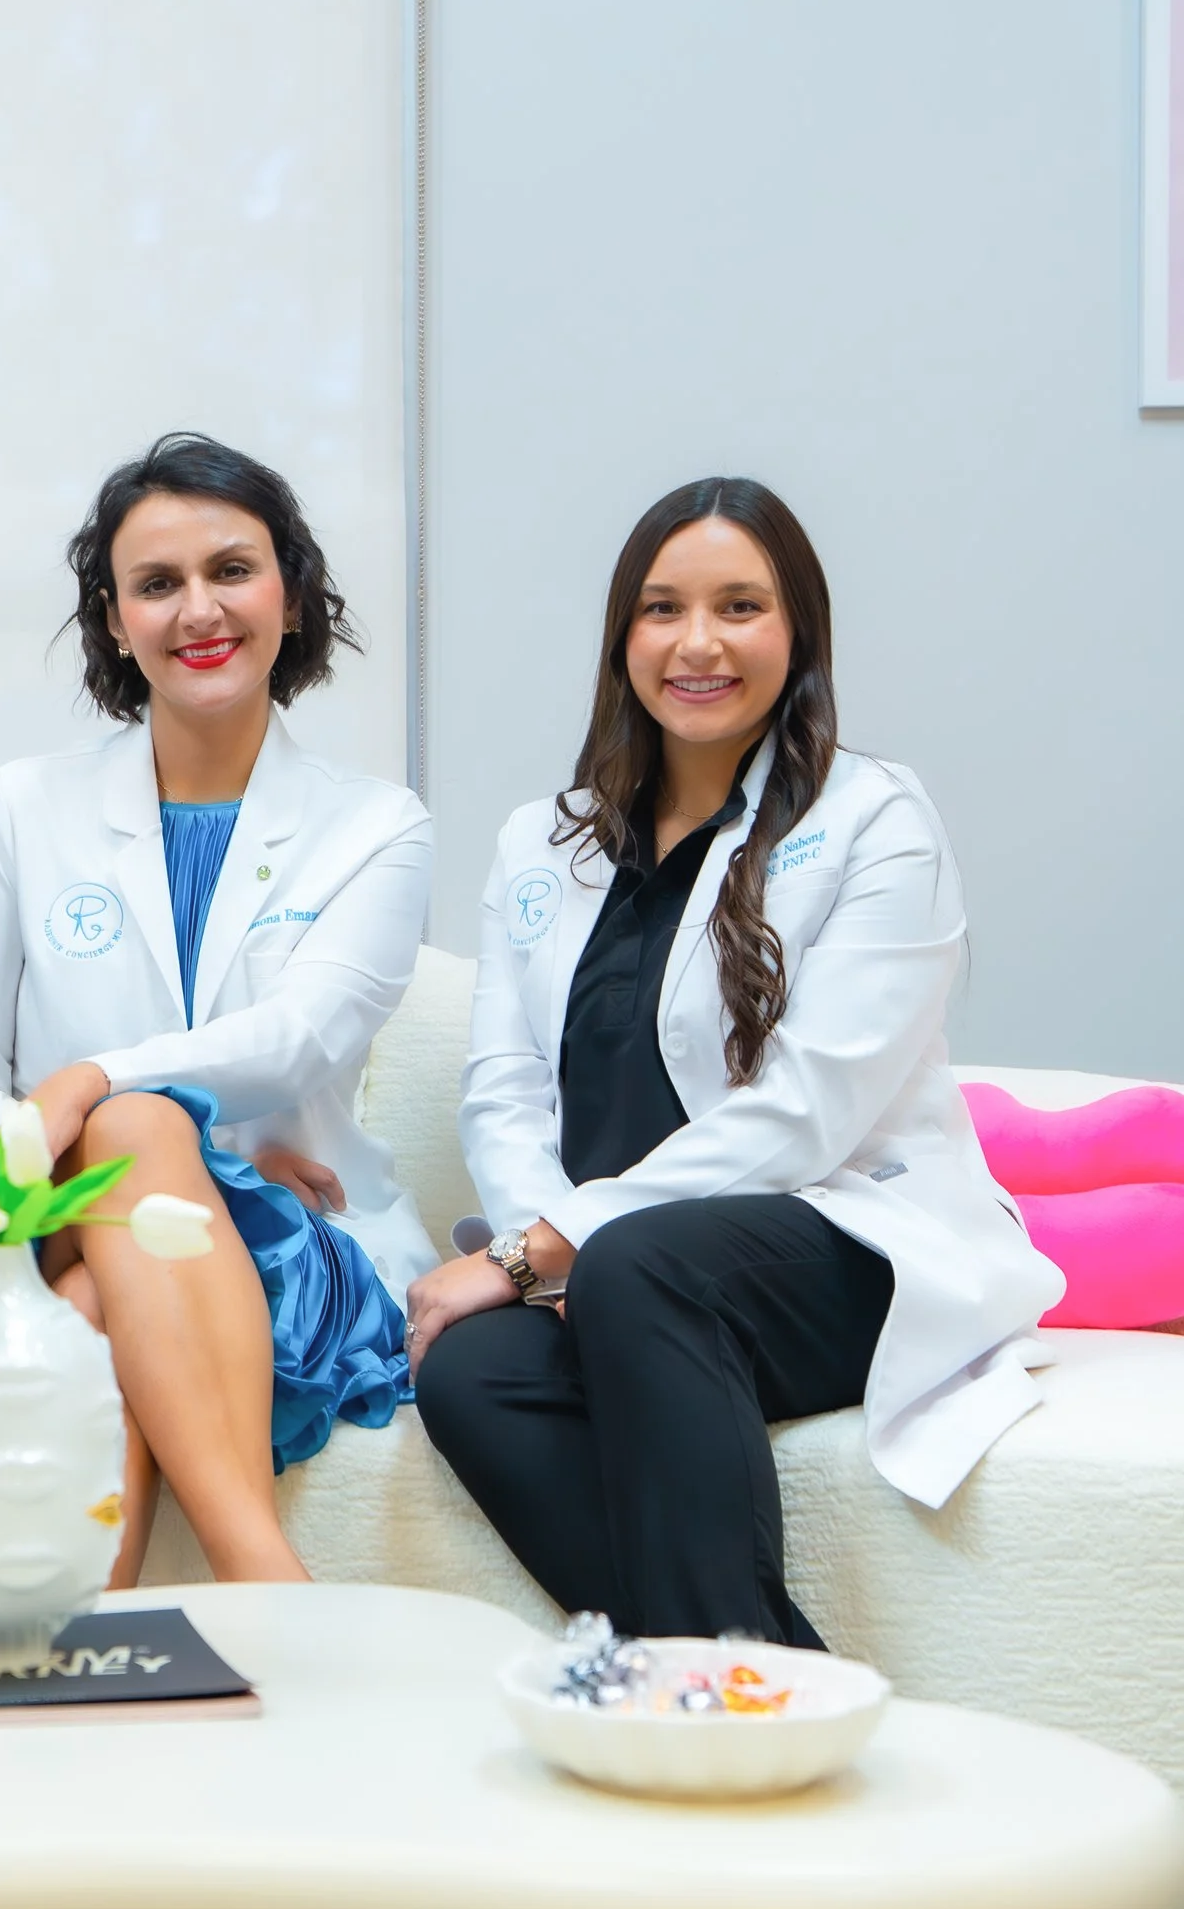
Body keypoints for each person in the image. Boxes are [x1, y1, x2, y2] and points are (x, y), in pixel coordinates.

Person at [407, 475, 1059, 1645]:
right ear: (623, 637)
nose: (695, 642)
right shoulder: (540, 839)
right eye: (661, 609)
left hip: (832, 1250)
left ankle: (721, 1715)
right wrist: (544, 1265)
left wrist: (551, 1247)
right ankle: (749, 1678)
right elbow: (504, 1091)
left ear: (796, 632)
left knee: (642, 1266)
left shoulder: (873, 819)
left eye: (739, 607)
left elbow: (806, 1113)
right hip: (607, 1277)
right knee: (470, 1372)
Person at [0, 432, 433, 1585]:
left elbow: (302, 1038)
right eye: (156, 584)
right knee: (133, 1155)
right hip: (47, 1219)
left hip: (291, 1252)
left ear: (291, 595)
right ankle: (271, 1594)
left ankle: (86, 1676)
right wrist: (97, 1150)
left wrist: (90, 1089)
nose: (198, 609)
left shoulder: (376, 827)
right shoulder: (23, 806)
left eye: (231, 570)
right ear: (113, 621)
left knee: (119, 1206)